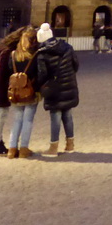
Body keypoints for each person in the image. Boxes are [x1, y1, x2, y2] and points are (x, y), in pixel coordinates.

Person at [34, 23, 79, 156]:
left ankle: (53, 147)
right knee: (68, 115)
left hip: (54, 88)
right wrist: (68, 75)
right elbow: (76, 65)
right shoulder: (68, 47)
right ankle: (70, 145)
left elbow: (42, 74)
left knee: (55, 116)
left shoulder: (42, 54)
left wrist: (40, 87)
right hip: (69, 84)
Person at [6, 26, 40, 159]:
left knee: (17, 120)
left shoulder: (13, 55)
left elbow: (9, 72)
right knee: (28, 120)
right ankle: (24, 149)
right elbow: (38, 74)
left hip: (15, 92)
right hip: (30, 91)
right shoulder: (35, 55)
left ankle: (12, 148)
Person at [0, 28, 22, 156]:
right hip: (1, 89)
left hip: (4, 88)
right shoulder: (7, 52)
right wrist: (0, 93)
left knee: (2, 114)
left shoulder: (10, 51)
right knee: (1, 114)